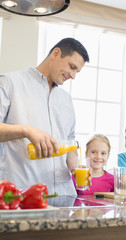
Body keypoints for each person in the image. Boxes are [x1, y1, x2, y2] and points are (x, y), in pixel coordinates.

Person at [0, 37, 89, 196]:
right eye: (72, 67)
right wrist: (26, 130)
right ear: (56, 53)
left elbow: (70, 142)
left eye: (77, 71)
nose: (74, 76)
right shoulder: (9, 83)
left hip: (64, 197)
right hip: (23, 197)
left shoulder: (66, 99)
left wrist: (75, 166)